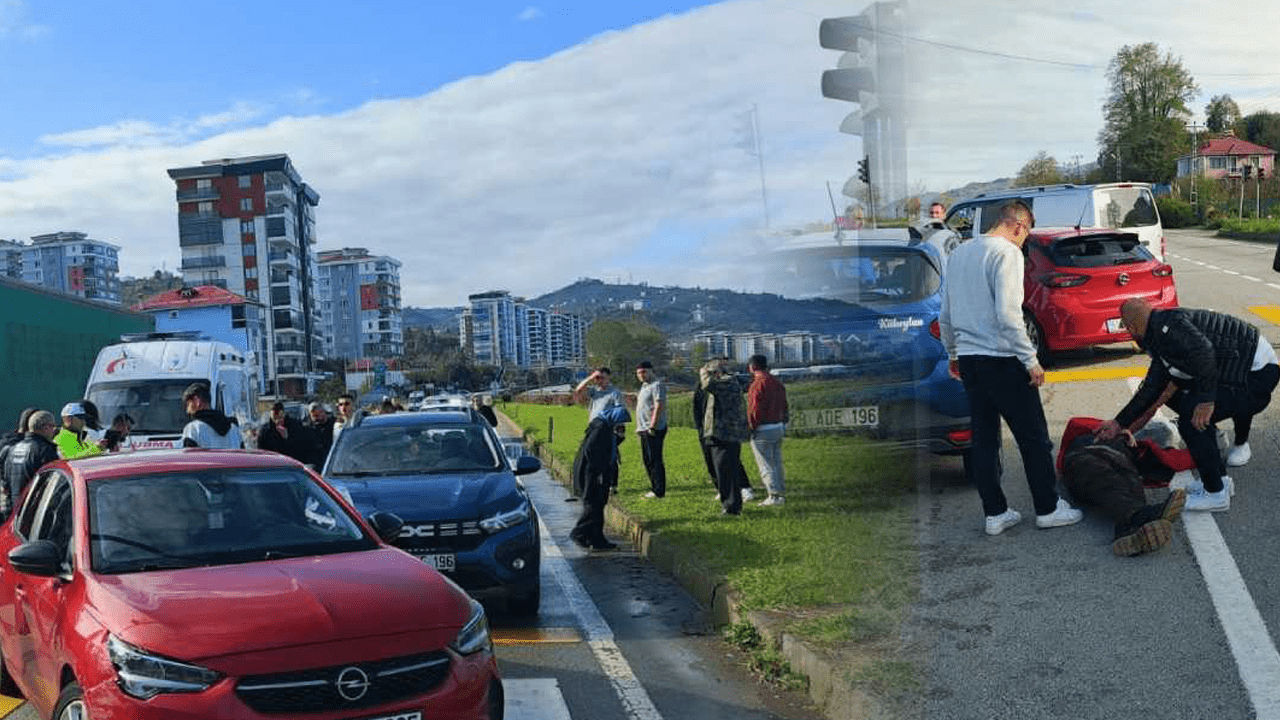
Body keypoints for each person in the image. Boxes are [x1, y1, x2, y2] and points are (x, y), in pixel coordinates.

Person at [938, 199, 1083, 535]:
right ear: (1018, 225)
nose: (1024, 241)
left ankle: (995, 514)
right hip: (1002, 359)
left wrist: (954, 355)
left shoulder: (958, 254)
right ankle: (1047, 507)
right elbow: (1008, 314)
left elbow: (946, 315)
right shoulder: (1007, 254)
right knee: (1033, 438)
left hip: (971, 361)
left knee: (985, 440)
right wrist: (1030, 360)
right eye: (1026, 234)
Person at [1095, 299, 1280, 512]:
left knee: (1192, 421)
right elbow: (1151, 388)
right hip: (1244, 369)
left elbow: (1204, 352)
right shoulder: (1159, 332)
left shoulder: (1169, 329)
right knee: (1187, 409)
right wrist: (1119, 423)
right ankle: (1220, 482)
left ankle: (1215, 494)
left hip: (1258, 375)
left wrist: (1206, 401)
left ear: (1131, 328)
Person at [1060, 429, 1187, 556]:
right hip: (1086, 456)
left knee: (1131, 485)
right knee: (1108, 480)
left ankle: (1127, 531)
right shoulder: (1108, 433)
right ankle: (1141, 516)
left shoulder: (1131, 457)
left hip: (1116, 462)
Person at [570, 404, 630, 550]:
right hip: (593, 474)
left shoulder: (603, 424)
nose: (620, 424)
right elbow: (591, 449)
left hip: (594, 472)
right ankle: (579, 533)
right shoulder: (601, 427)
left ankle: (596, 539)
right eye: (620, 421)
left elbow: (603, 445)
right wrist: (599, 471)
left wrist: (618, 438)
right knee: (593, 505)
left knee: (598, 504)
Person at [700, 358, 753, 516]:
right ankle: (730, 504)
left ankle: (732, 507)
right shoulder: (729, 382)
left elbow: (707, 385)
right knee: (724, 469)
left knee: (726, 470)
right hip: (722, 433)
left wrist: (704, 373)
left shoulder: (726, 382)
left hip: (725, 433)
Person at [746, 354, 788, 507]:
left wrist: (751, 426)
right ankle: (780, 492)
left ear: (752, 367)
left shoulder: (757, 384)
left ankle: (773, 495)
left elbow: (755, 409)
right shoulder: (777, 383)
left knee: (765, 463)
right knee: (776, 462)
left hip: (763, 428)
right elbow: (785, 405)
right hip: (778, 425)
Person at [0, 410, 59, 519]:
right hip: (35, 515)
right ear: (45, 427)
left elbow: (5, 484)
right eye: (53, 426)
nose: (54, 430)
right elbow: (54, 484)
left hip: (13, 513)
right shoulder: (45, 450)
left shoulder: (11, 449)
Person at [634, 360, 668, 499]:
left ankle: (658, 490)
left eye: (643, 372)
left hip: (653, 428)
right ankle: (654, 487)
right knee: (647, 459)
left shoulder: (657, 385)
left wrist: (652, 426)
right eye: (638, 373)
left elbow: (658, 405)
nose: (641, 375)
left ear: (650, 371)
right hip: (643, 428)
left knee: (655, 459)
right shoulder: (644, 386)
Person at [181, 382, 243, 449]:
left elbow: (189, 458)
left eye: (187, 404)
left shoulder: (193, 429)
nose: (187, 410)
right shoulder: (234, 429)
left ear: (197, 401)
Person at [303, 402, 336, 467]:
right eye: (313, 416)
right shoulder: (308, 429)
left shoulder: (334, 425)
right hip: (315, 464)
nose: (316, 418)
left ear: (323, 412)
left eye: (317, 415)